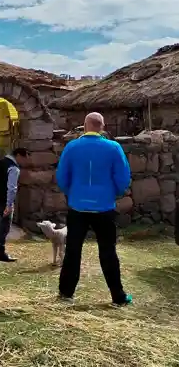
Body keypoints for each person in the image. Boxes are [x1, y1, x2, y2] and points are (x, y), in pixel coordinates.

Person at [56, 112, 133, 306]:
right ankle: (118, 296)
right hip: (104, 206)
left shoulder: (71, 147)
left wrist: (72, 193)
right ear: (102, 127)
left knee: (73, 251)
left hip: (77, 206)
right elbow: (123, 178)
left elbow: (62, 177)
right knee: (108, 251)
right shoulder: (113, 147)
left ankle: (66, 293)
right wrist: (112, 193)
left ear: (84, 126)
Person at [0, 147, 30, 262]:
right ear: (19, 155)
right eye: (25, 158)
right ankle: (0, 253)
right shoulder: (13, 168)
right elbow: (12, 188)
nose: (25, 161)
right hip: (3, 201)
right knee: (3, 228)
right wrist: (9, 204)